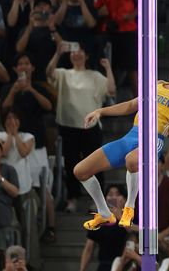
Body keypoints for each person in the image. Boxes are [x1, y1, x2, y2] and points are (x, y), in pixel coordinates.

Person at [75, 46, 169, 230]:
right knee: (81, 171)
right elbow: (130, 106)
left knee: (132, 160)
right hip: (131, 136)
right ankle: (104, 213)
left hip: (154, 139)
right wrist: (100, 111)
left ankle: (129, 207)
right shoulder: (158, 84)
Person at [46, 42, 115, 212]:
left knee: (96, 164)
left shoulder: (95, 75)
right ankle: (72, 197)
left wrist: (108, 68)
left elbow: (111, 90)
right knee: (71, 165)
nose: (77, 55)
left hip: (90, 127)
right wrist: (57, 53)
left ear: (87, 55)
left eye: (80, 52)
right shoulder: (64, 74)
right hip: (68, 126)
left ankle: (97, 201)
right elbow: (49, 73)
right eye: (74, 52)